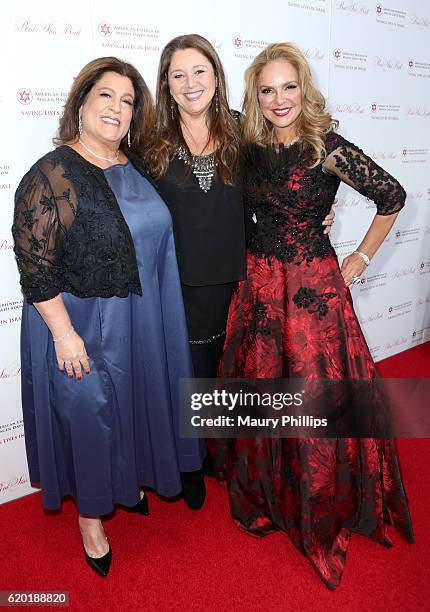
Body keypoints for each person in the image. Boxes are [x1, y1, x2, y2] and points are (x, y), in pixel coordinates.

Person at [212, 43, 414, 589]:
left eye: (289, 87)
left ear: (306, 89)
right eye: (267, 90)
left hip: (310, 292)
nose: (280, 99)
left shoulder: (328, 148)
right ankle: (268, 492)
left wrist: (358, 257)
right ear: (256, 96)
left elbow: (392, 196)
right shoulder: (249, 148)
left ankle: (318, 502)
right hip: (258, 288)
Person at [12, 57, 204, 577]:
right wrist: (64, 335)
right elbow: (35, 266)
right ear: (81, 102)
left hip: (140, 317)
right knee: (92, 417)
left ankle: (129, 482)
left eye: (127, 101)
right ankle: (91, 521)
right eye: (106, 96)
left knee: (135, 405)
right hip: (82, 323)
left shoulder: (133, 164)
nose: (117, 109)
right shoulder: (51, 175)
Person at [144, 34, 336, 507]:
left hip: (242, 276)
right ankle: (187, 463)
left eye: (200, 71)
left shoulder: (241, 131)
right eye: (178, 75)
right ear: (166, 85)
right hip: (178, 282)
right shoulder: (151, 144)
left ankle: (217, 454)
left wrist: (309, 213)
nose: (191, 83)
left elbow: (283, 177)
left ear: (216, 76)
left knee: (227, 373)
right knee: (185, 375)